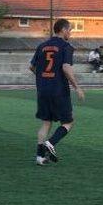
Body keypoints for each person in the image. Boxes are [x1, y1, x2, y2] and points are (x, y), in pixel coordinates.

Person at [30, 18, 85, 166]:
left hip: (42, 90)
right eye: (70, 30)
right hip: (58, 89)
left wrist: (43, 79)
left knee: (46, 123)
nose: (71, 33)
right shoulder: (66, 46)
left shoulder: (42, 46)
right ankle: (51, 143)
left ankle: (40, 157)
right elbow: (66, 68)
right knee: (69, 121)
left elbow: (32, 67)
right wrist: (77, 87)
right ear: (63, 30)